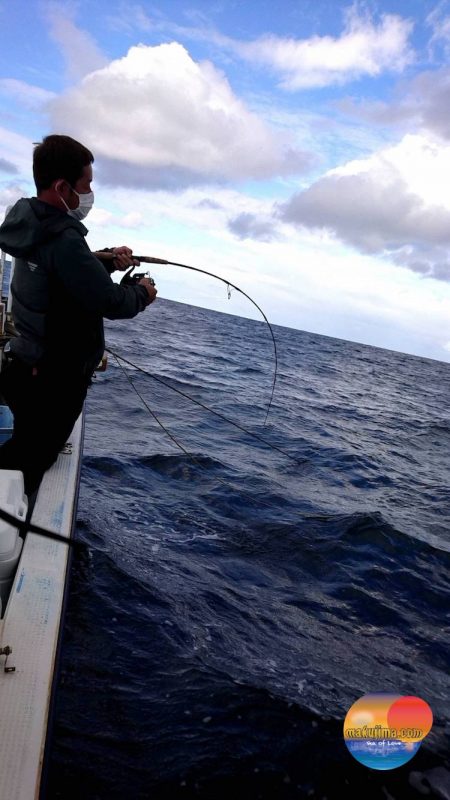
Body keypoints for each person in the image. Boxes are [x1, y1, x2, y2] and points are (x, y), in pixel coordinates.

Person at [0, 134, 157, 496]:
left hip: (27, 365)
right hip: (53, 379)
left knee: (29, 447)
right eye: (86, 184)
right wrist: (143, 293)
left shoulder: (33, 224)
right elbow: (111, 302)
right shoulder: (63, 238)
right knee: (31, 455)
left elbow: (65, 276)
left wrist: (104, 258)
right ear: (61, 186)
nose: (88, 193)